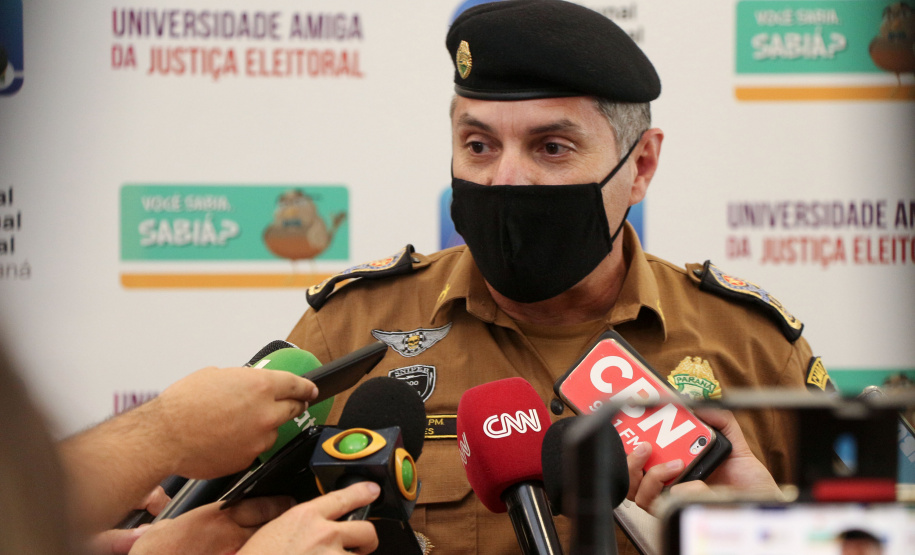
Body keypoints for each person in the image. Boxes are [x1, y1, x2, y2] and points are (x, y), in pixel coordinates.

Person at [285, 1, 825, 553]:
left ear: (640, 165)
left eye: (551, 148)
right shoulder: (348, 332)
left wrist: (766, 536)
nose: (506, 179)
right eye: (479, 146)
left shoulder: (754, 350)